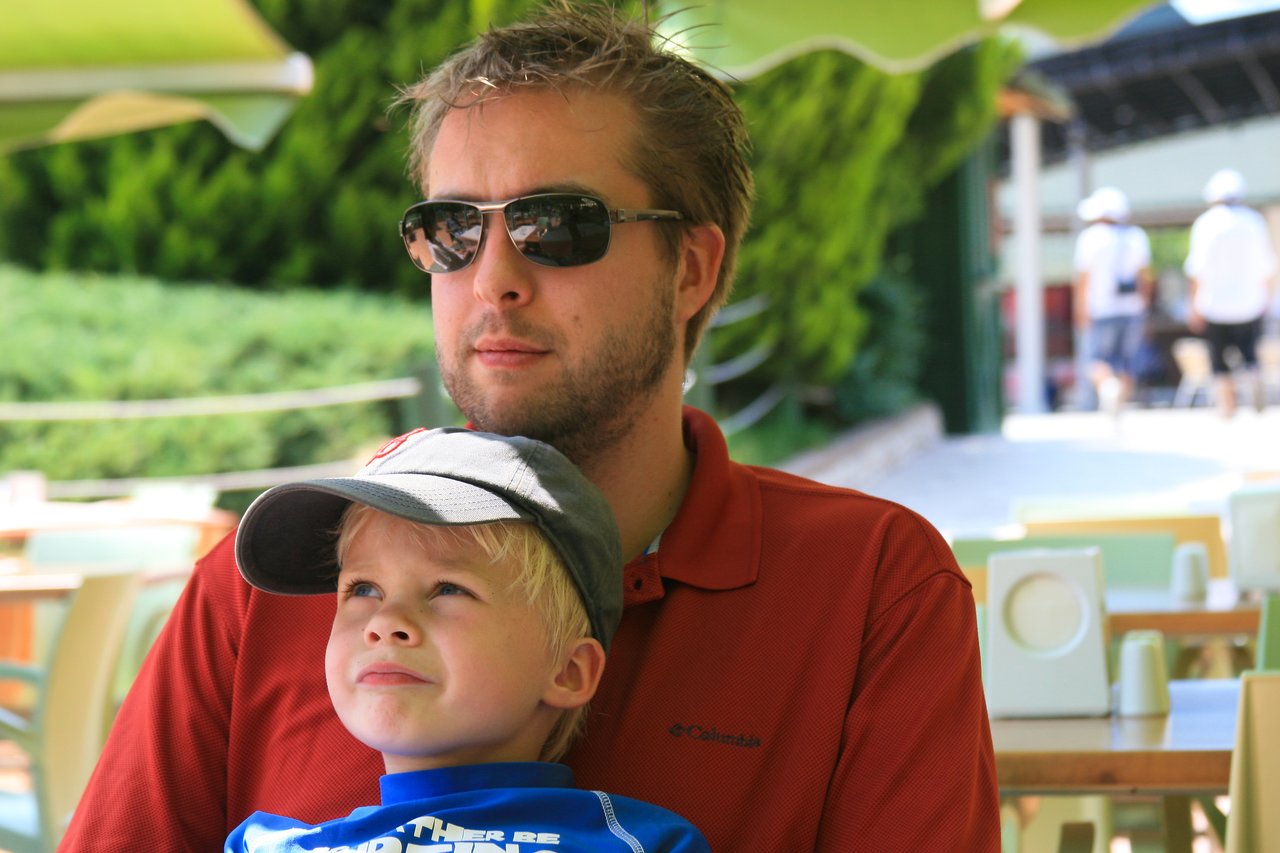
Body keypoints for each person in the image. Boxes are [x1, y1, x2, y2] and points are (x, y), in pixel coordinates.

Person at [63, 4, 999, 851]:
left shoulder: (874, 588)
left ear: (692, 270)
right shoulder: (269, 579)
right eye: (451, 230)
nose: (493, 278)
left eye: (557, 225)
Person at [223, 426, 709, 852]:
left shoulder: (638, 842)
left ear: (568, 670)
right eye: (362, 589)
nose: (384, 621)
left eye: (448, 589)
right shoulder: (270, 844)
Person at [1184, 168, 1278, 417]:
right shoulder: (1254, 222)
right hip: (1250, 302)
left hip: (1214, 304)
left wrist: (1192, 304)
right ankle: (1254, 375)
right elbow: (1267, 267)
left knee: (1219, 359)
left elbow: (1196, 271)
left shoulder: (1205, 224)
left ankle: (1227, 406)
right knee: (1249, 352)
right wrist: (1267, 298)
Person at [1072, 186, 1154, 414]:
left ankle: (1109, 388)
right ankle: (1119, 407)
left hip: (1101, 310)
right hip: (1132, 309)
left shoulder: (1090, 238)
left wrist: (1080, 309)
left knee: (1096, 360)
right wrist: (1143, 303)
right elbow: (1145, 277)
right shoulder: (1136, 236)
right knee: (1128, 362)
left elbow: (1083, 280)